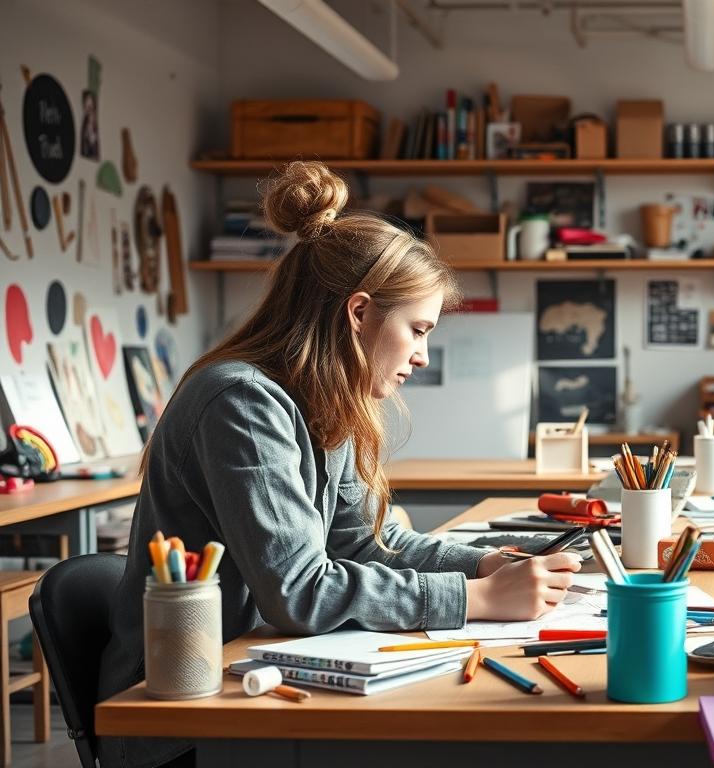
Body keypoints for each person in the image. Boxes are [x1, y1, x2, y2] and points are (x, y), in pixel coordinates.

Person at [98, 161, 580, 768]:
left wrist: (488, 563)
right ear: (358, 314)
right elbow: (300, 593)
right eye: (418, 330)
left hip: (256, 678)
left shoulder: (324, 402)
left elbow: (365, 545)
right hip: (185, 711)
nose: (424, 357)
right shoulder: (240, 403)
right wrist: (476, 598)